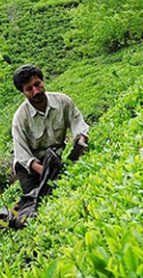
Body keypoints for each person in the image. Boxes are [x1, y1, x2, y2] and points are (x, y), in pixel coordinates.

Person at [11, 64, 90, 194]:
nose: (36, 91)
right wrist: (46, 173)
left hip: (53, 157)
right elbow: (23, 156)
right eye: (29, 89)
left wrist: (79, 149)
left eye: (37, 84)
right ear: (23, 92)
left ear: (43, 81)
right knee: (37, 197)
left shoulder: (63, 101)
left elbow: (80, 128)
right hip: (30, 167)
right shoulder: (20, 119)